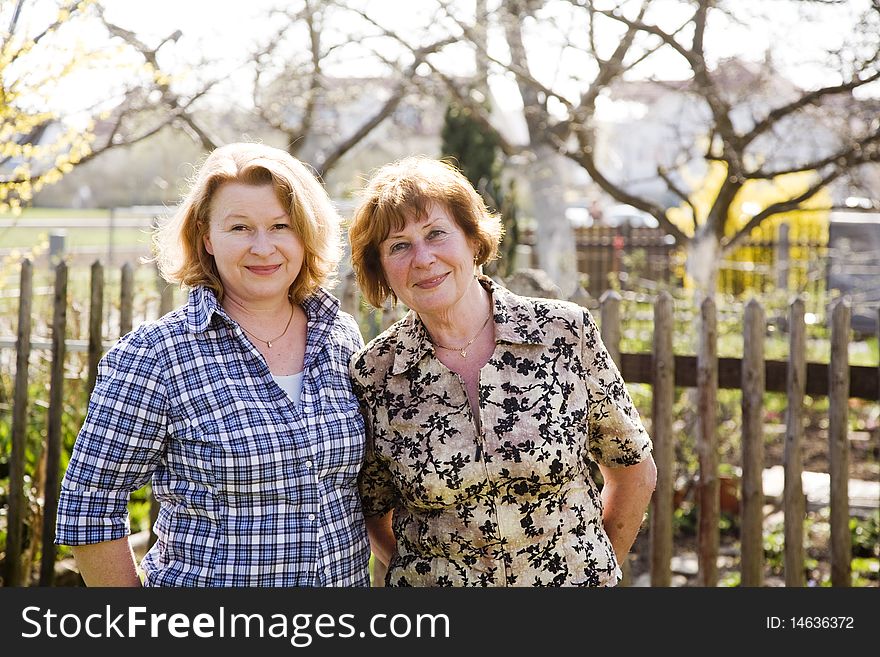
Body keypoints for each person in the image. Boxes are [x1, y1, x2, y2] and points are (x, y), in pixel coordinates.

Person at [55, 142, 371, 587]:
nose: (263, 247)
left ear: (305, 234)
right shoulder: (155, 356)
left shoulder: (339, 335)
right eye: (240, 227)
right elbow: (90, 503)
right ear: (206, 236)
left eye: (281, 225)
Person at [347, 156, 657, 587]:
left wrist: (597, 571)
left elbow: (633, 470)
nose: (423, 258)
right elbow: (371, 508)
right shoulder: (375, 373)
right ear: (381, 268)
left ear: (473, 240)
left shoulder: (563, 333)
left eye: (436, 233)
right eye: (398, 245)